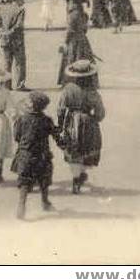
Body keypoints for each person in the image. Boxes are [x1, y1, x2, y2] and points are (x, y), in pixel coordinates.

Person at [56, 60, 106, 194]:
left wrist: (61, 124)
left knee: (74, 150)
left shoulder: (68, 89)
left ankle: (76, 177)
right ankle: (81, 173)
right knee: (86, 148)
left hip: (72, 122)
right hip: (88, 122)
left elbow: (60, 109)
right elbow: (100, 112)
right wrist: (95, 119)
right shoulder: (92, 92)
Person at [11, 91, 59, 219]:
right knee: (44, 179)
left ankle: (21, 205)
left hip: (25, 154)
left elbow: (16, 136)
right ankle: (45, 201)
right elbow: (56, 134)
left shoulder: (22, 119)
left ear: (31, 106)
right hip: (42, 155)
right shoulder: (47, 120)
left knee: (25, 181)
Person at [0, 0, 27, 91]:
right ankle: (19, 85)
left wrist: (2, 32)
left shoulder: (2, 9)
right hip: (17, 41)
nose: (23, 1)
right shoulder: (20, 10)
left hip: (5, 40)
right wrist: (10, 32)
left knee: (6, 63)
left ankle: (7, 85)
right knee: (19, 63)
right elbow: (18, 26)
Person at [57, 5, 96, 86]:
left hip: (73, 41)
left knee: (71, 60)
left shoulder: (72, 15)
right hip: (83, 40)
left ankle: (72, 81)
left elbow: (70, 31)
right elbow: (85, 29)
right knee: (85, 59)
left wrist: (65, 42)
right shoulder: (84, 14)